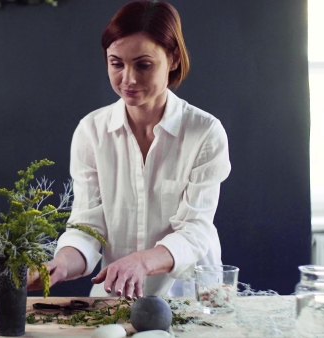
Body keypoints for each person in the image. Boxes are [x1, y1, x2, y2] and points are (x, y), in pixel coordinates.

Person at [28, 0, 231, 300]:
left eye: (144, 64)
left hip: (192, 298)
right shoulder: (91, 131)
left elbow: (195, 230)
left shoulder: (205, 133)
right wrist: (60, 263)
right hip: (116, 298)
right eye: (116, 63)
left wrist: (142, 261)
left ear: (173, 59)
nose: (128, 79)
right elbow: (87, 226)